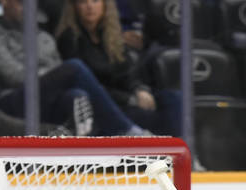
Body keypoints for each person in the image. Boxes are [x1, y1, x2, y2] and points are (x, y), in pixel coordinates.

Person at [0, 0, 149, 136]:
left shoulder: (43, 36)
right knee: (73, 68)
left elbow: (57, 71)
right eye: (21, 3)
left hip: (43, 98)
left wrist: (56, 77)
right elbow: (13, 76)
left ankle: (87, 161)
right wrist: (55, 77)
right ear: (5, 2)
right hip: (11, 100)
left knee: (77, 95)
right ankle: (126, 129)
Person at [54, 0, 182, 136]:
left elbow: (127, 72)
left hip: (126, 100)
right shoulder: (69, 38)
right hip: (103, 106)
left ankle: (182, 147)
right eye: (83, 2)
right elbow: (88, 85)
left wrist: (139, 89)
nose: (90, 6)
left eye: (95, 1)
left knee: (173, 97)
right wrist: (129, 99)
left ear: (105, 5)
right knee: (153, 116)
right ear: (74, 7)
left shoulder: (111, 35)